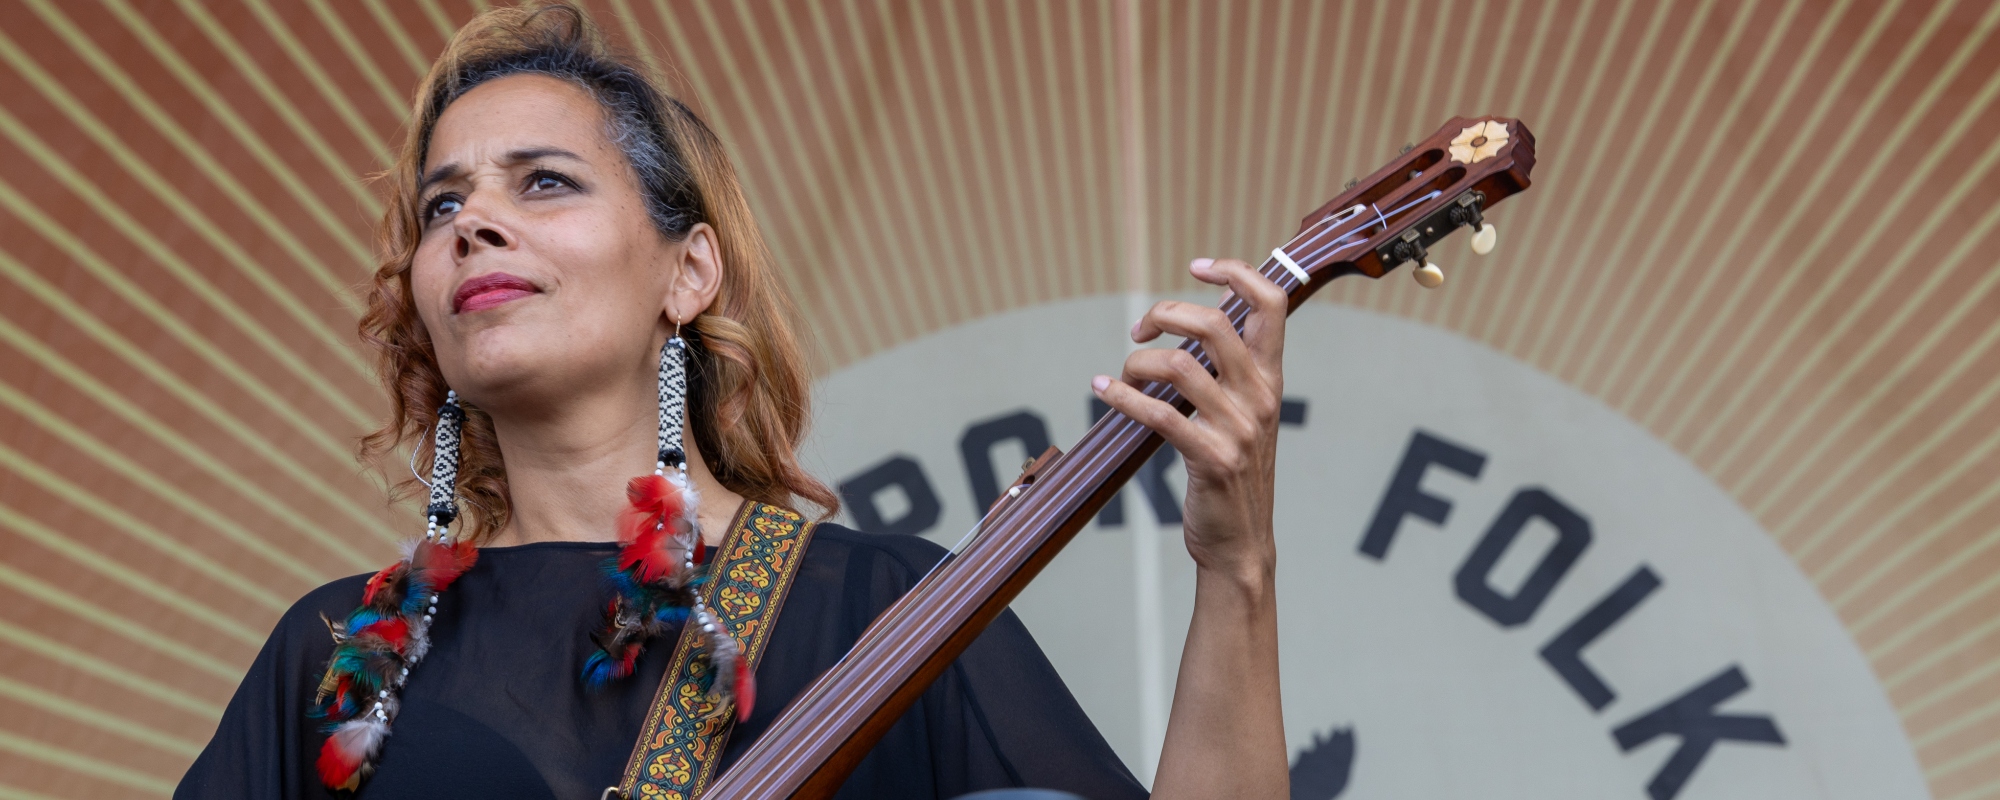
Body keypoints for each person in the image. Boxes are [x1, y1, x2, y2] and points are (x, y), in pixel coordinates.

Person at [175, 4, 1288, 798]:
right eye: (441, 206)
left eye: (543, 181)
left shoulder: (879, 606)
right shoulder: (327, 652)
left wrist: (1236, 570)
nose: (471, 223)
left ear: (688, 271)